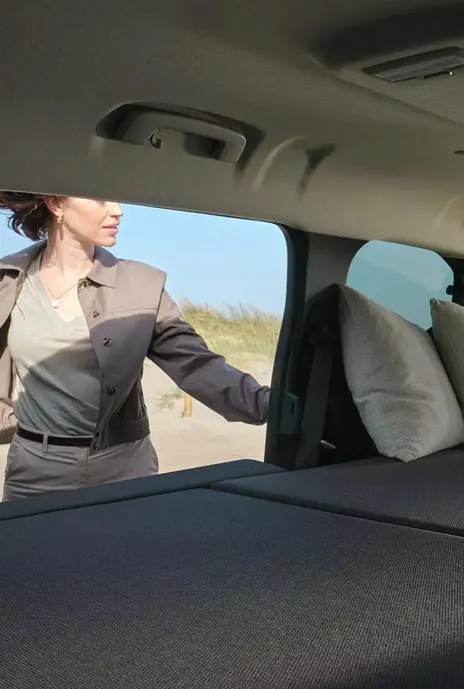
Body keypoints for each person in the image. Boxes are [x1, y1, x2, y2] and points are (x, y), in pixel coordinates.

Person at [0, 193, 271, 500]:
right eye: (101, 200)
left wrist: (272, 406)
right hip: (34, 472)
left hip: (123, 470)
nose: (118, 210)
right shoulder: (7, 280)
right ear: (56, 204)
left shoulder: (142, 287)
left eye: (116, 200)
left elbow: (198, 366)